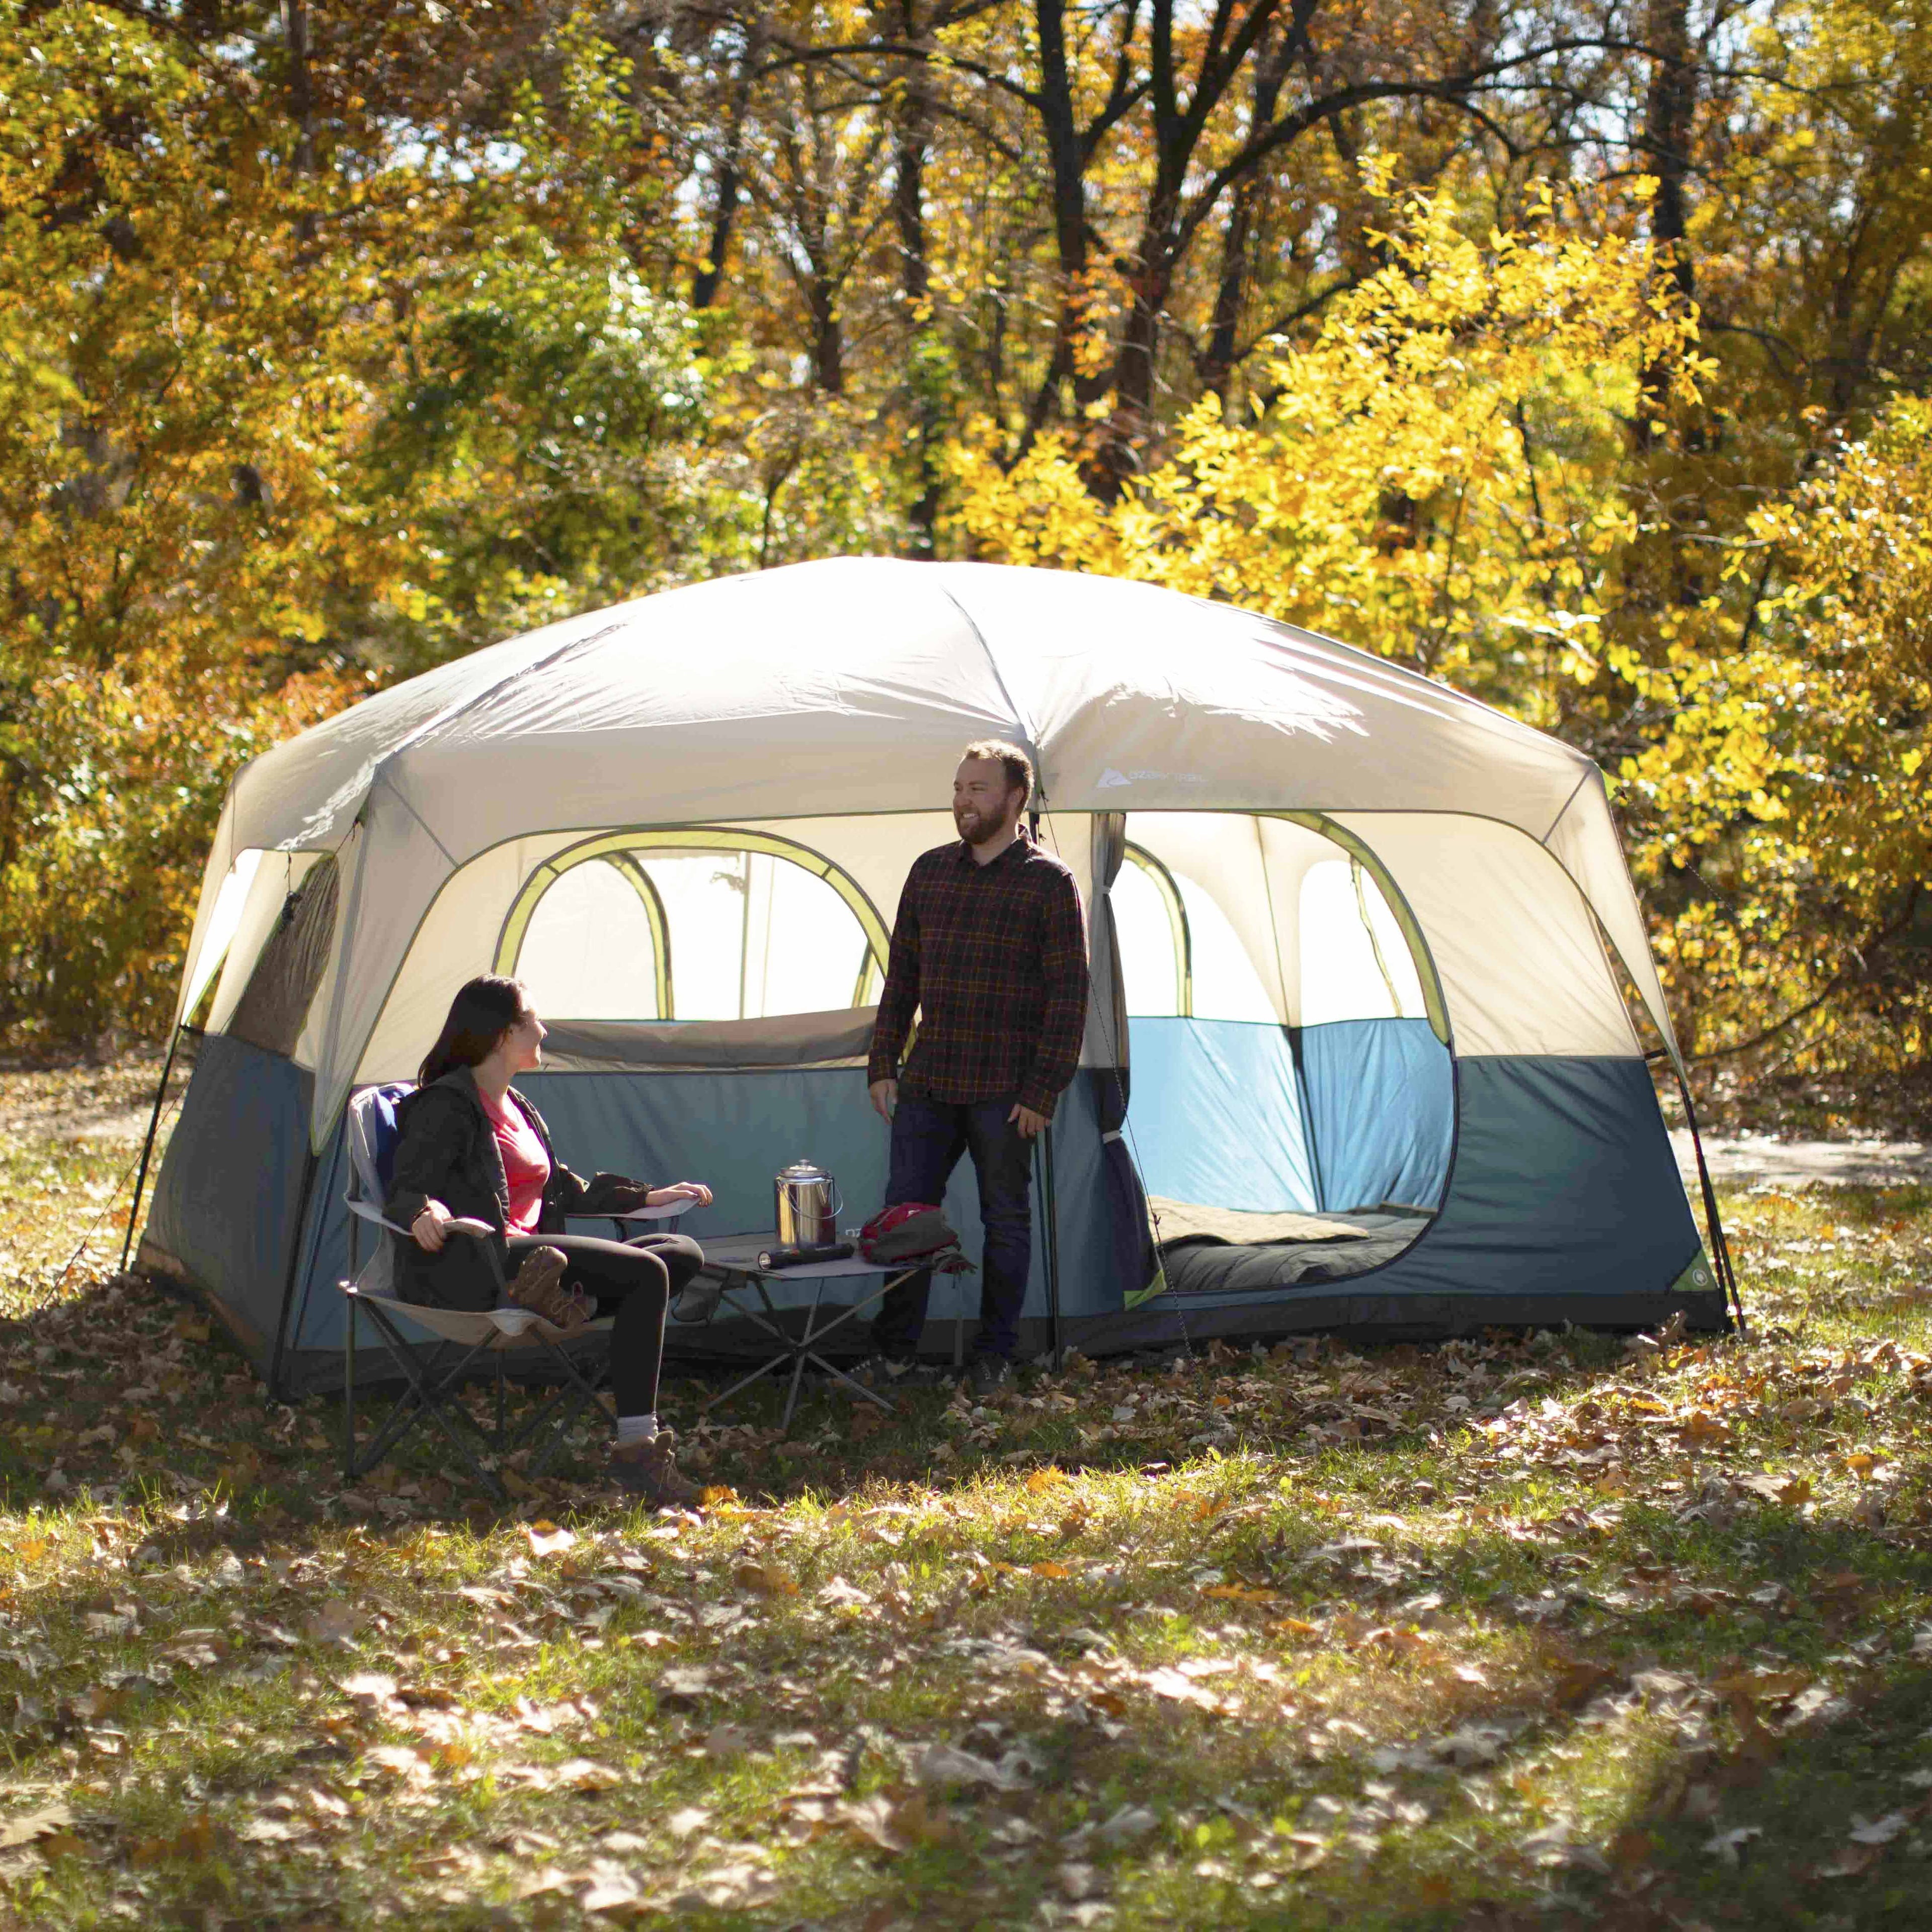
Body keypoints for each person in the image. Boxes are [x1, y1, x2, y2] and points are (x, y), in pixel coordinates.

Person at [386, 974, 714, 1506]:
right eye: (533, 1018)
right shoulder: (446, 1106)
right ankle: (639, 1450)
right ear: (501, 1034)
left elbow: (560, 1186)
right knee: (646, 1276)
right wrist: (426, 1210)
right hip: (485, 1262)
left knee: (681, 1253)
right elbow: (408, 1184)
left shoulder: (517, 1104)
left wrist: (647, 1197)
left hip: (539, 1261)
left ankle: (561, 1300)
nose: (544, 1028)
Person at [864, 740, 1089, 1396]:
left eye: (979, 789)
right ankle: (896, 1354)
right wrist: (884, 1062)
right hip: (929, 1081)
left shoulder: (1050, 883)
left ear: (1016, 799)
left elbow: (1068, 996)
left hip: (1007, 1092)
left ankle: (994, 1356)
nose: (963, 800)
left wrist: (1044, 1090)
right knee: (905, 1220)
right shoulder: (929, 872)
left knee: (1006, 1224)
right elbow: (901, 976)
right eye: (959, 788)